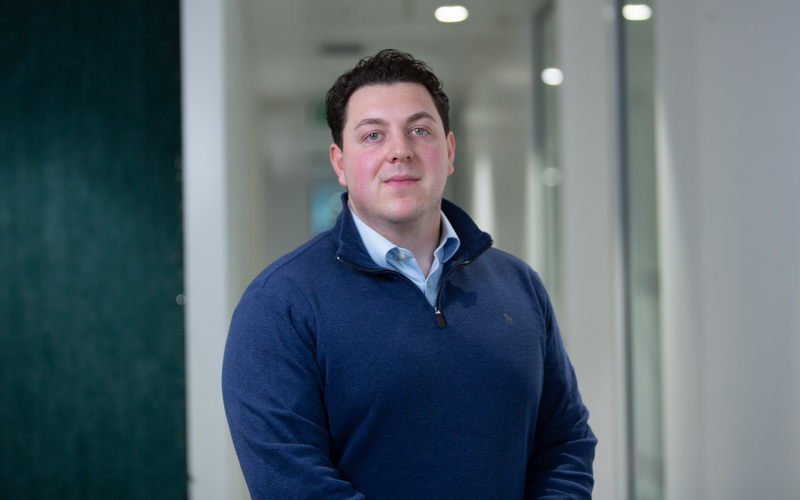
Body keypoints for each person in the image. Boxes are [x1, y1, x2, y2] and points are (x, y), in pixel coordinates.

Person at [222, 48, 596, 499]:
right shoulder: (279, 304)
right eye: (373, 135)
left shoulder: (519, 285)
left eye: (419, 130)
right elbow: (293, 483)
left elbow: (564, 442)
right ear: (340, 163)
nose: (400, 151)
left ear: (449, 151)